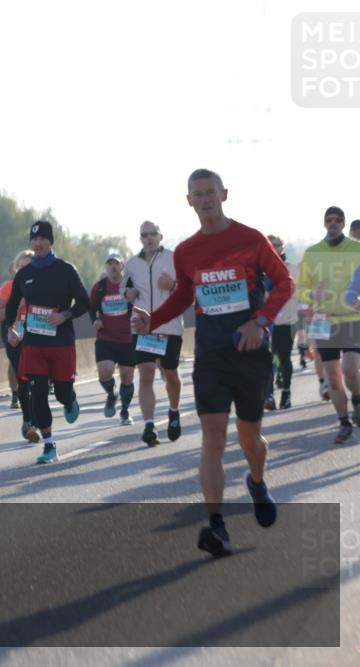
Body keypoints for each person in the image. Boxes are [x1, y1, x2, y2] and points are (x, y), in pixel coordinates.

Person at [133, 168, 292, 557]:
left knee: (250, 440)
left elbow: (285, 282)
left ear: (224, 194)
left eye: (210, 192)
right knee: (213, 438)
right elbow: (184, 296)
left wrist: (260, 321)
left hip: (250, 353)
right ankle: (217, 526)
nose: (204, 199)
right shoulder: (187, 251)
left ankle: (256, 482)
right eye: (197, 194)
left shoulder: (250, 239)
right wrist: (152, 319)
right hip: (211, 356)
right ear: (189, 201)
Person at [4, 221, 90, 465]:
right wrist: (12, 328)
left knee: (62, 393)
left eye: (42, 238)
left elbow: (84, 303)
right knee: (37, 393)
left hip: (61, 342)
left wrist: (63, 316)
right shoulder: (25, 274)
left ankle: (70, 398)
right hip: (33, 343)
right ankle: (49, 444)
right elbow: (12, 305)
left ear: (51, 241)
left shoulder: (66, 270)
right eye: (34, 239)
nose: (38, 243)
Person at [297, 206, 360, 443]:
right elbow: (301, 288)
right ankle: (343, 423)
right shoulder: (312, 253)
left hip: (353, 319)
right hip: (323, 320)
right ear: (324, 223)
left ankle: (357, 400)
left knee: (351, 370)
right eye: (329, 219)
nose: (333, 223)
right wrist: (312, 295)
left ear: (343, 224)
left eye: (338, 220)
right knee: (332, 377)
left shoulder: (357, 249)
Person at [124, 221, 184, 446]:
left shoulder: (174, 258)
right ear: (140, 239)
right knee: (146, 372)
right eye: (144, 235)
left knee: (170, 374)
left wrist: (173, 285)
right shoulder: (131, 264)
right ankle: (149, 425)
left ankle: (174, 411)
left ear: (160, 236)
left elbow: (189, 289)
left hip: (169, 326)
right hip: (142, 327)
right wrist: (127, 293)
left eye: (152, 234)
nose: (148, 238)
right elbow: (122, 288)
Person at [90, 253, 136, 426]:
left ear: (122, 266)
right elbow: (91, 307)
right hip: (106, 337)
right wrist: (95, 320)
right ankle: (111, 393)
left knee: (127, 376)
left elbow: (142, 302)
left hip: (128, 338)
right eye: (109, 264)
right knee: (105, 371)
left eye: (116, 264)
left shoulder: (131, 285)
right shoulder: (100, 287)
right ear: (106, 267)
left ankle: (124, 411)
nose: (112, 267)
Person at [0, 250, 33, 410]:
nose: (25, 270)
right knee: (22, 372)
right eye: (21, 266)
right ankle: (28, 413)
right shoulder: (8, 287)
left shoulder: (46, 285)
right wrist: (18, 305)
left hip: (38, 333)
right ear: (16, 268)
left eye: (29, 266)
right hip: (14, 335)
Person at [263, 236, 298, 411]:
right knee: (267, 359)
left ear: (282, 247)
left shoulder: (291, 269)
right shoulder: (260, 270)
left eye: (276, 245)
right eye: (269, 245)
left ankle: (286, 392)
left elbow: (295, 292)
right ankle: (269, 394)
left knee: (283, 358)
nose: (273, 248)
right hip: (265, 323)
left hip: (286, 320)